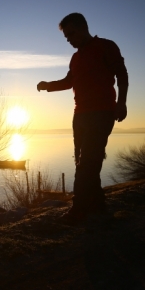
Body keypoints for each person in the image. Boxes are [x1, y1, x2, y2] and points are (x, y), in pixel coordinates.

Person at [37, 13, 128, 224]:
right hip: (79, 116)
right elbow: (69, 81)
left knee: (87, 162)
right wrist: (48, 85)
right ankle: (98, 205)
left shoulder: (106, 46)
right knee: (86, 161)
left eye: (71, 34)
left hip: (102, 113)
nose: (69, 39)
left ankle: (78, 209)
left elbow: (122, 75)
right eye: (66, 37)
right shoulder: (75, 58)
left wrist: (121, 103)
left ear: (83, 27)